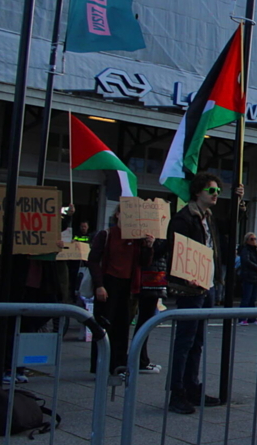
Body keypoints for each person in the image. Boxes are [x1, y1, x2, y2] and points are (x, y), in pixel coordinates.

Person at [167, 173, 234, 415]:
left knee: (197, 341)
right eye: (211, 191)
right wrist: (186, 275)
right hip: (190, 286)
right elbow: (176, 251)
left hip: (206, 284)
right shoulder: (184, 219)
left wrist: (240, 202)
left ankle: (192, 387)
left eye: (217, 191)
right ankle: (177, 392)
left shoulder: (208, 218)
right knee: (185, 340)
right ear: (197, 192)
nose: (216, 195)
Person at [87, 205, 155, 376]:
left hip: (128, 285)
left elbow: (144, 263)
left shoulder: (138, 238)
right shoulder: (106, 234)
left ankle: (118, 365)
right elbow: (93, 260)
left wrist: (148, 246)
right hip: (108, 283)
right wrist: (99, 285)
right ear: (117, 214)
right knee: (103, 326)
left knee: (122, 327)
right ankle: (99, 365)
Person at [135, 236, 168, 374]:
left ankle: (142, 359)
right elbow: (156, 254)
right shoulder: (148, 238)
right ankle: (140, 360)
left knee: (145, 319)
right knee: (144, 320)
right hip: (149, 281)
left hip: (152, 280)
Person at [237, 232, 257, 324]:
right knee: (246, 298)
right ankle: (242, 318)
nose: (254, 241)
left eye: (255, 239)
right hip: (248, 276)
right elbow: (246, 260)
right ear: (247, 241)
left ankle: (252, 318)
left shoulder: (256, 250)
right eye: (251, 239)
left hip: (255, 276)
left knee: (253, 298)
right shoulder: (245, 250)